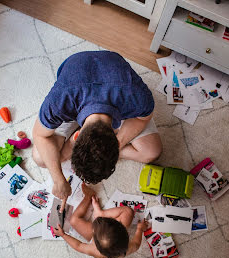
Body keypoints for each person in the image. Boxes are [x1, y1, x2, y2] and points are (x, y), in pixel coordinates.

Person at [32, 51, 162, 210]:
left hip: (116, 91)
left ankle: (93, 147)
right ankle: (89, 146)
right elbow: (38, 135)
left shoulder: (138, 97)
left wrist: (118, 143)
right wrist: (58, 179)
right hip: (75, 89)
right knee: (39, 158)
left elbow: (143, 118)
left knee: (152, 152)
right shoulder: (59, 101)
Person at [53, 183, 148, 258]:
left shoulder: (95, 251)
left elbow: (78, 246)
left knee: (74, 220)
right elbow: (136, 244)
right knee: (128, 212)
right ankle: (100, 213)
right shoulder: (125, 250)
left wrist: (64, 235)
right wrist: (140, 229)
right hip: (112, 231)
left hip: (106, 232)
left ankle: (88, 197)